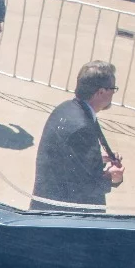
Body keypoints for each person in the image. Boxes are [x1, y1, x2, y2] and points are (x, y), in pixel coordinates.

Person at [32, 61, 124, 208]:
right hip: (65, 218)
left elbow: (66, 164)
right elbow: (84, 187)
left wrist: (97, 159)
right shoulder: (83, 128)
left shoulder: (64, 109)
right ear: (101, 92)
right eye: (113, 89)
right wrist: (112, 177)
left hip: (47, 206)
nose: (114, 93)